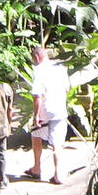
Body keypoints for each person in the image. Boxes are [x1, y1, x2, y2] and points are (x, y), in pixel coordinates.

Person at [27, 44, 70, 183]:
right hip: (59, 109)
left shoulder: (39, 70)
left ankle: (39, 169)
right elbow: (67, 89)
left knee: (35, 135)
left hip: (45, 111)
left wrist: (36, 115)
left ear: (37, 57)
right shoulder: (60, 68)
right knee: (57, 143)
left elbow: (37, 96)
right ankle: (54, 173)